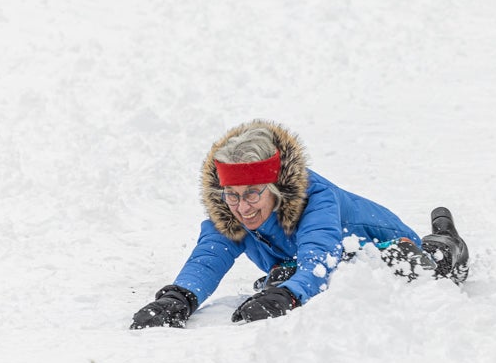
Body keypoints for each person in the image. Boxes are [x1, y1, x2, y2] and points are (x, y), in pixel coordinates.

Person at [130, 121, 470, 328]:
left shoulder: (316, 199)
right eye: (231, 195)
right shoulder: (230, 207)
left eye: (252, 195)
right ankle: (287, 277)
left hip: (385, 247)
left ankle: (445, 240)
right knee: (282, 276)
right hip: (303, 259)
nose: (242, 208)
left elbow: (320, 257)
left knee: (425, 268)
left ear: (275, 189)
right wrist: (180, 297)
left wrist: (288, 296)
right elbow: (210, 255)